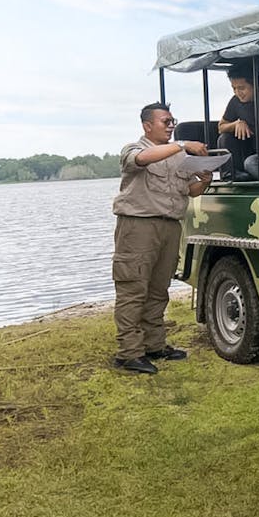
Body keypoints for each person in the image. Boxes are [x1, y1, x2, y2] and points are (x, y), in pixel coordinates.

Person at [110, 103, 212, 374]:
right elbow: (142, 160)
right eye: (165, 121)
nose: (170, 125)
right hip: (138, 228)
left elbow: (190, 191)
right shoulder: (133, 149)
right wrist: (182, 144)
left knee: (158, 289)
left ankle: (155, 346)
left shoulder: (179, 157)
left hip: (170, 227)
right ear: (147, 125)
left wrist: (205, 179)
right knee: (133, 289)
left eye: (172, 121)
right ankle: (129, 354)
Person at [217, 64, 259, 178]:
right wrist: (236, 124)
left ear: (255, 84)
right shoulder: (235, 102)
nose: (237, 93)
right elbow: (221, 127)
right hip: (258, 154)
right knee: (249, 162)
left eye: (241, 88)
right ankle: (234, 175)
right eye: (234, 88)